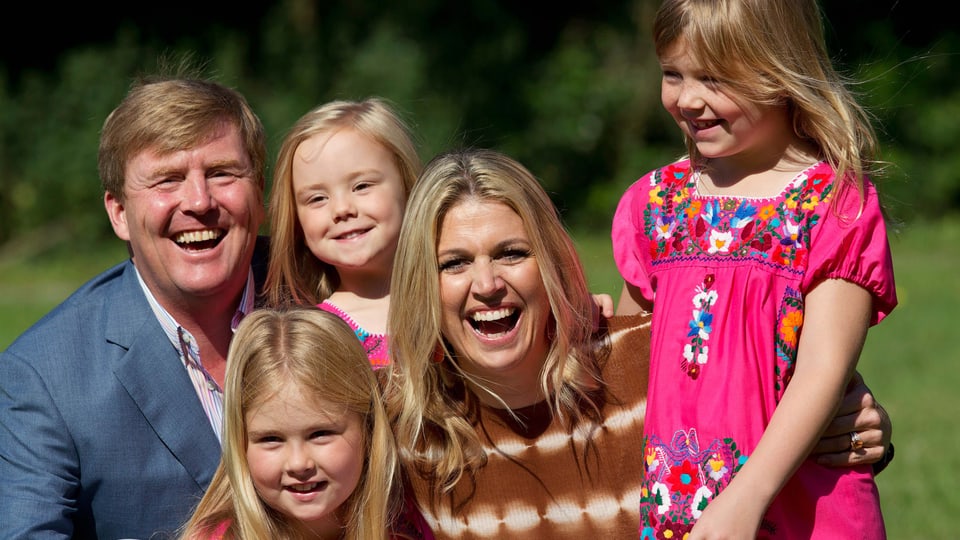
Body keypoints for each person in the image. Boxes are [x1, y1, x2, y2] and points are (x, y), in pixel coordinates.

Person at [381, 148, 892, 540]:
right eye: (454, 263)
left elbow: (775, 405)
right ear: (419, 284)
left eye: (512, 253)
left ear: (552, 264)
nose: (487, 283)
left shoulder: (644, 369)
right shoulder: (397, 435)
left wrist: (854, 423)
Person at [611, 0, 898, 537]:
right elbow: (629, 365)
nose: (688, 99)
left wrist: (746, 499)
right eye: (673, 73)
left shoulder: (833, 205)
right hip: (673, 513)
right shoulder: (653, 203)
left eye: (715, 78)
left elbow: (822, 371)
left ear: (781, 70)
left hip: (800, 512)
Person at [0, 70, 269, 538]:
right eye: (167, 180)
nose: (199, 201)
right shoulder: (43, 376)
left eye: (223, 173)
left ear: (259, 192)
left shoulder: (330, 298)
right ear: (119, 213)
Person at [178, 306, 422, 540]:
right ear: (240, 443)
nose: (298, 464)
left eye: (320, 433)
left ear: (367, 428)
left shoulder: (409, 529)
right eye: (271, 439)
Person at [262, 98, 421, 368]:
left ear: (407, 185)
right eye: (317, 199)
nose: (342, 209)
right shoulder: (312, 341)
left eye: (361, 186)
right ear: (297, 222)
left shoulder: (454, 304)